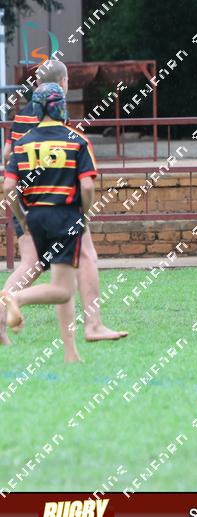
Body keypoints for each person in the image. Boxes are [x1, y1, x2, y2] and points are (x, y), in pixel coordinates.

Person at [1, 59, 126, 346]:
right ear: (63, 83)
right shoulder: (57, 116)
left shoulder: (23, 117)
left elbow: (8, 155)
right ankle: (93, 324)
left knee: (31, 265)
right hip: (61, 203)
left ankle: (3, 320)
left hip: (27, 204)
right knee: (86, 256)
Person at [0, 84, 98, 362]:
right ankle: (14, 297)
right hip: (64, 215)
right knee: (64, 289)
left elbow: (8, 187)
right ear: (60, 106)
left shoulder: (23, 142)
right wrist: (85, 215)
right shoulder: (76, 140)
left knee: (55, 278)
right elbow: (87, 186)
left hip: (34, 217)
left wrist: (22, 217)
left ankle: (70, 353)